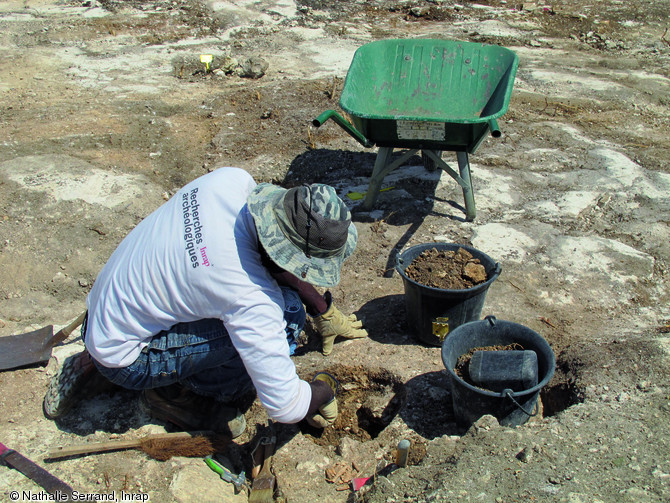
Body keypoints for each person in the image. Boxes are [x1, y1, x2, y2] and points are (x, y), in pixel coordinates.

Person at [43, 167, 367, 437]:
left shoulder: (231, 182)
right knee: (289, 316)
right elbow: (285, 406)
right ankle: (174, 395)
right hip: (128, 361)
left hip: (108, 309)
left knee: (285, 303)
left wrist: (322, 308)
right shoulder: (250, 299)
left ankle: (101, 357)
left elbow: (270, 257)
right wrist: (324, 389)